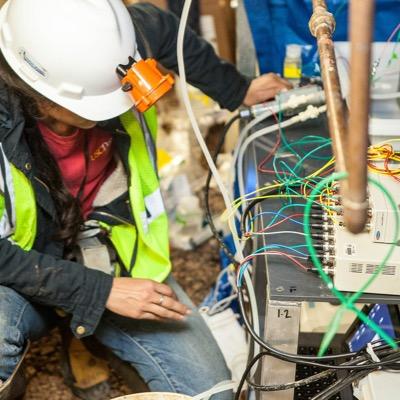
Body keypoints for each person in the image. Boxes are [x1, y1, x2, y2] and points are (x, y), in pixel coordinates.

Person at [0, 0, 291, 399]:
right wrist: (97, 293)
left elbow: (167, 30)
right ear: (31, 86)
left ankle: (85, 332)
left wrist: (237, 90)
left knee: (213, 393)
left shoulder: (115, 45)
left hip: (113, 252)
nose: (111, 110)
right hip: (22, 269)